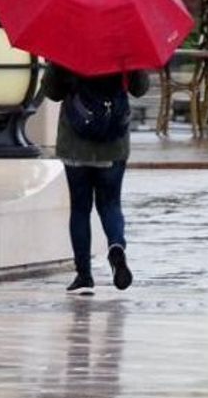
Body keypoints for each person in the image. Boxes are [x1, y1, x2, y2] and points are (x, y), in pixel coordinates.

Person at [42, 63, 149, 295]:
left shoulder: (67, 47)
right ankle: (116, 246)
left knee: (80, 209)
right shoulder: (125, 46)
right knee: (110, 204)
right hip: (113, 143)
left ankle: (83, 275)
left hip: (75, 142)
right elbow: (140, 88)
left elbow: (51, 92)